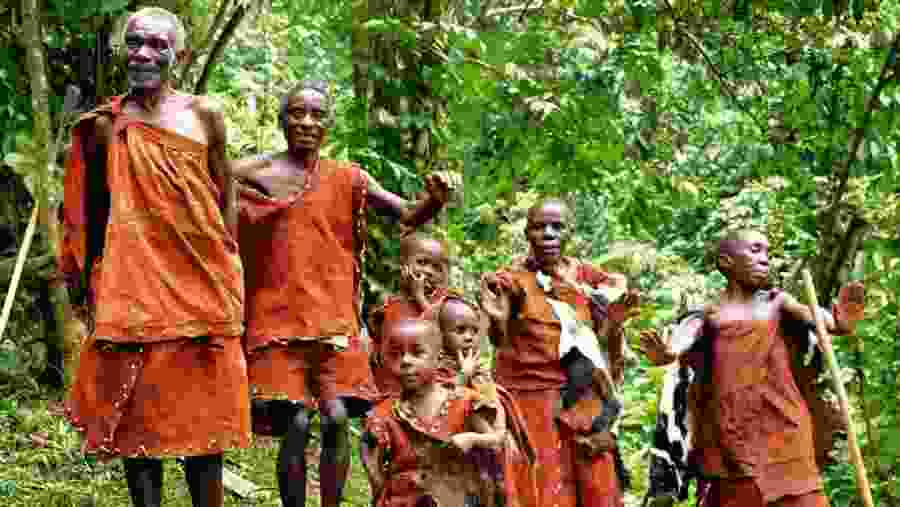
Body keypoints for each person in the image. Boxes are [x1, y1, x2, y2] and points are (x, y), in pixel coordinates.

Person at [232, 80, 454, 507]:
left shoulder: (348, 177)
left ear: (329, 124)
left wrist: (435, 200)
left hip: (333, 319)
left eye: (317, 115)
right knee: (295, 421)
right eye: (297, 113)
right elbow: (212, 189)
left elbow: (407, 214)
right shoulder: (254, 173)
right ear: (282, 120)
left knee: (335, 418)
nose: (307, 122)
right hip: (275, 320)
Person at [59, 7, 248, 507]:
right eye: (136, 42)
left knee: (206, 427)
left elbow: (225, 188)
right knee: (136, 424)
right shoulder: (107, 124)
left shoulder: (204, 114)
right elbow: (93, 210)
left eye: (157, 45)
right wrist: (93, 279)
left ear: (178, 55)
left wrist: (226, 258)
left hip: (204, 291)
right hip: (134, 291)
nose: (144, 53)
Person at [638, 229, 866, 507]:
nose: (765, 259)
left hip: (785, 429)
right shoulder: (710, 315)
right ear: (726, 262)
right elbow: (686, 336)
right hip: (730, 438)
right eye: (755, 250)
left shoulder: (778, 302)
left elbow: (818, 319)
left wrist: (840, 322)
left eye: (767, 252)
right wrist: (669, 353)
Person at [480, 198, 639, 507]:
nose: (548, 234)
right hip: (529, 403)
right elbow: (497, 338)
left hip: (583, 403)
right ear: (527, 233)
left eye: (557, 227)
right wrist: (497, 321)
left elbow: (600, 345)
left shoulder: (592, 281)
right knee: (544, 489)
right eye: (540, 227)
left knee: (596, 487)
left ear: (570, 233)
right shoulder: (511, 280)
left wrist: (615, 325)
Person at [362, 318, 503, 507]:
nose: (405, 361)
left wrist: (472, 439)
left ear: (438, 358)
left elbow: (496, 440)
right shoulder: (383, 415)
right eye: (396, 354)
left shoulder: (465, 401)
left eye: (417, 353)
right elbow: (376, 475)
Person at [437, 297, 538, 507]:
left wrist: (500, 433)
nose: (468, 337)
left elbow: (494, 402)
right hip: (458, 453)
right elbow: (442, 404)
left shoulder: (479, 368)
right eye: (461, 330)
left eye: (474, 331)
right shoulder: (437, 368)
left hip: (489, 452)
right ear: (439, 334)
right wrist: (463, 375)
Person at [369, 234, 452, 399]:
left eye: (436, 267)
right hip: (392, 387)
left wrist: (419, 296)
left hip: (432, 389)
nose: (428, 271)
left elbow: (445, 336)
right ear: (403, 266)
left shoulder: (446, 303)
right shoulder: (389, 306)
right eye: (422, 262)